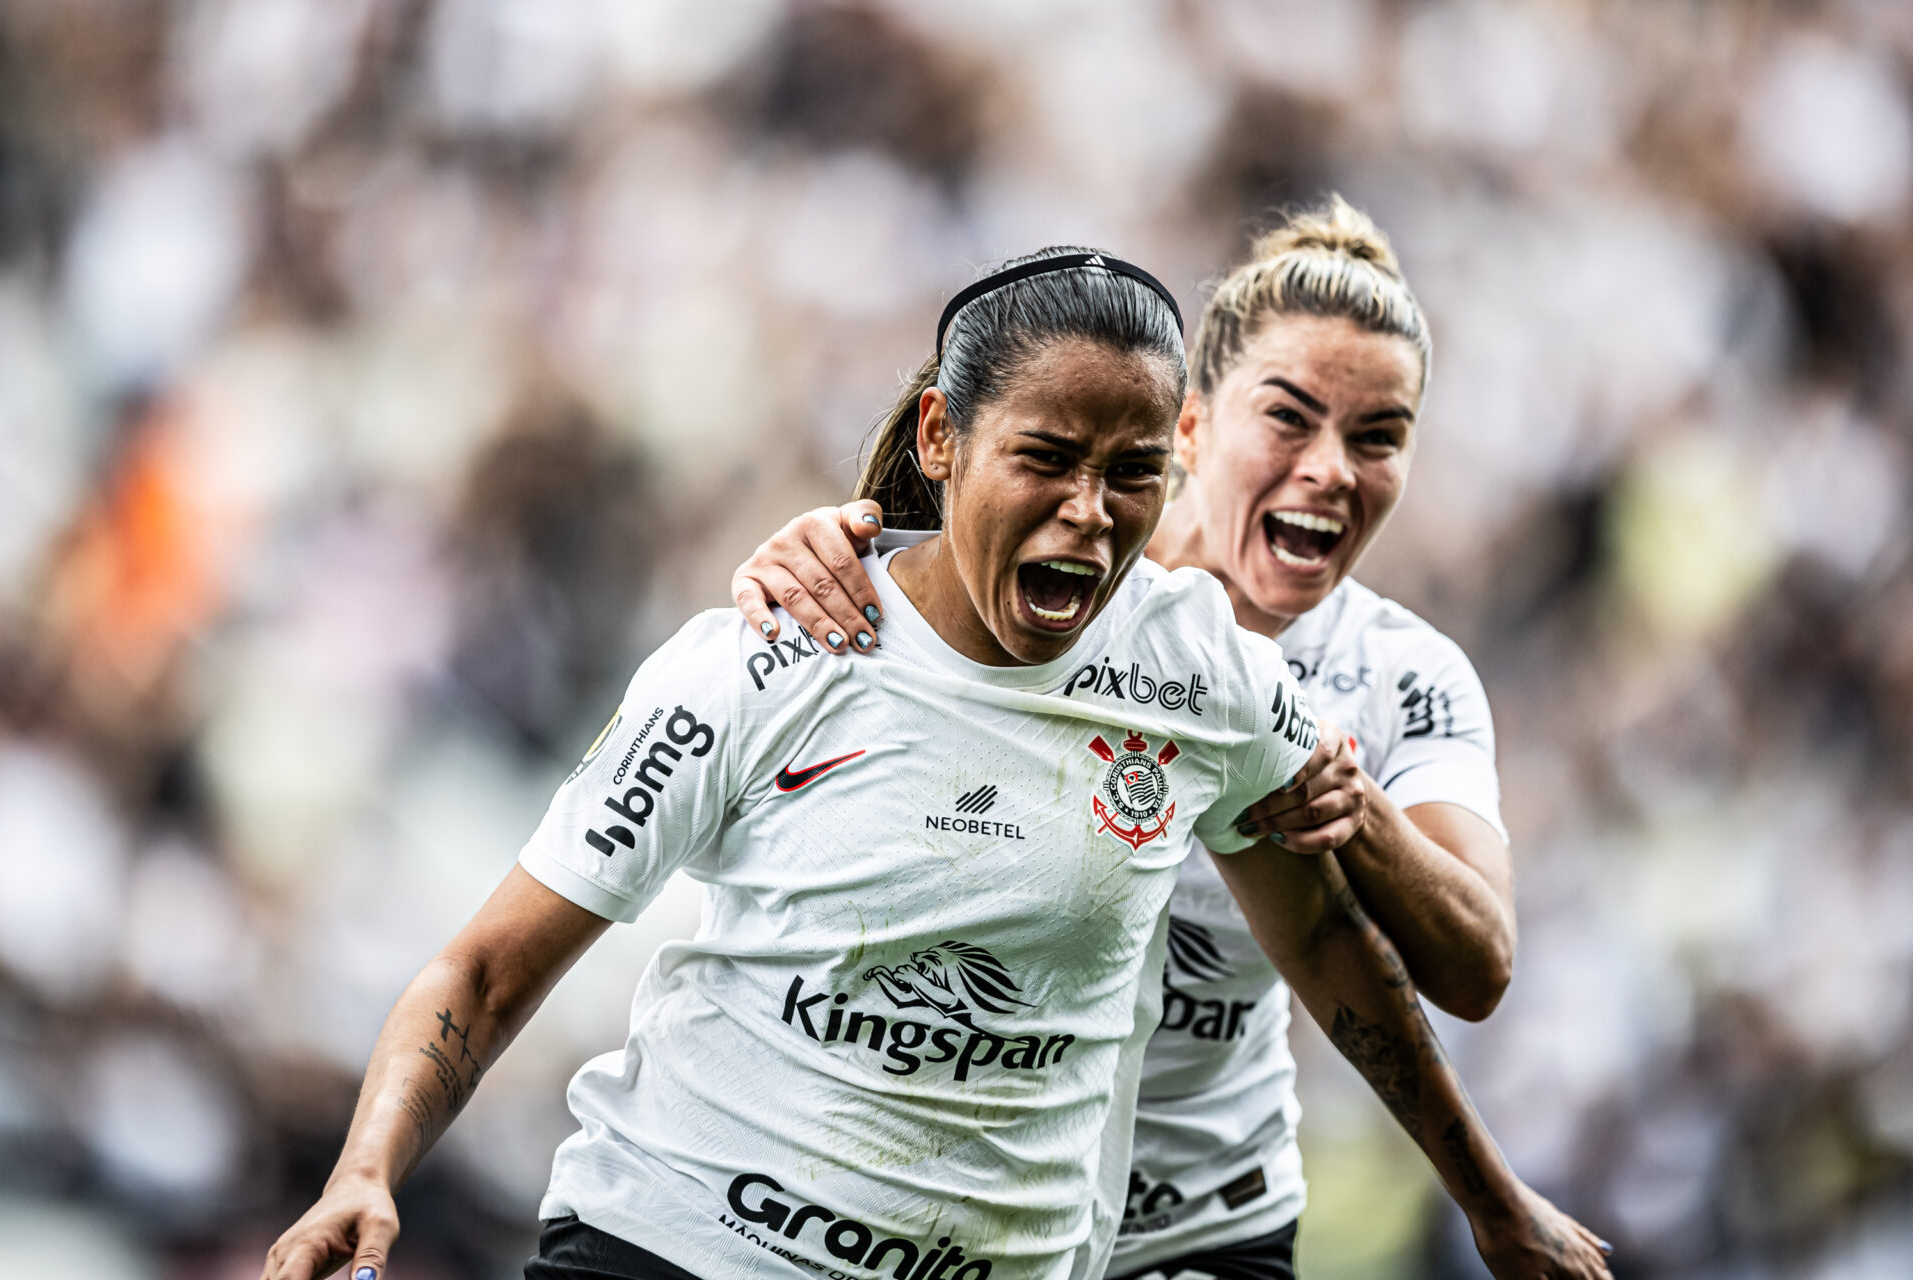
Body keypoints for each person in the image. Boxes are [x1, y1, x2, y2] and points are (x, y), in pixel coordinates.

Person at [262, 246, 1604, 1280]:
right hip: (683, 1246)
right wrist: (366, 1169)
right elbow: (486, 965)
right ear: (941, 442)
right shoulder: (768, 654)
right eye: (1048, 460)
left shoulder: (1211, 672)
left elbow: (1336, 949)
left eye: (1130, 473)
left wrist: (1489, 1197)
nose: (1091, 511)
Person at [732, 198, 1588, 1280]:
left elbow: (1472, 961)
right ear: (1189, 429)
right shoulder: (1039, 589)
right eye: (1290, 418)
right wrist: (801, 562)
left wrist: (1349, 805)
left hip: (1201, 1226)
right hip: (950, 1216)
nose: (1332, 467)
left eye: (1380, 437)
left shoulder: (1402, 676)